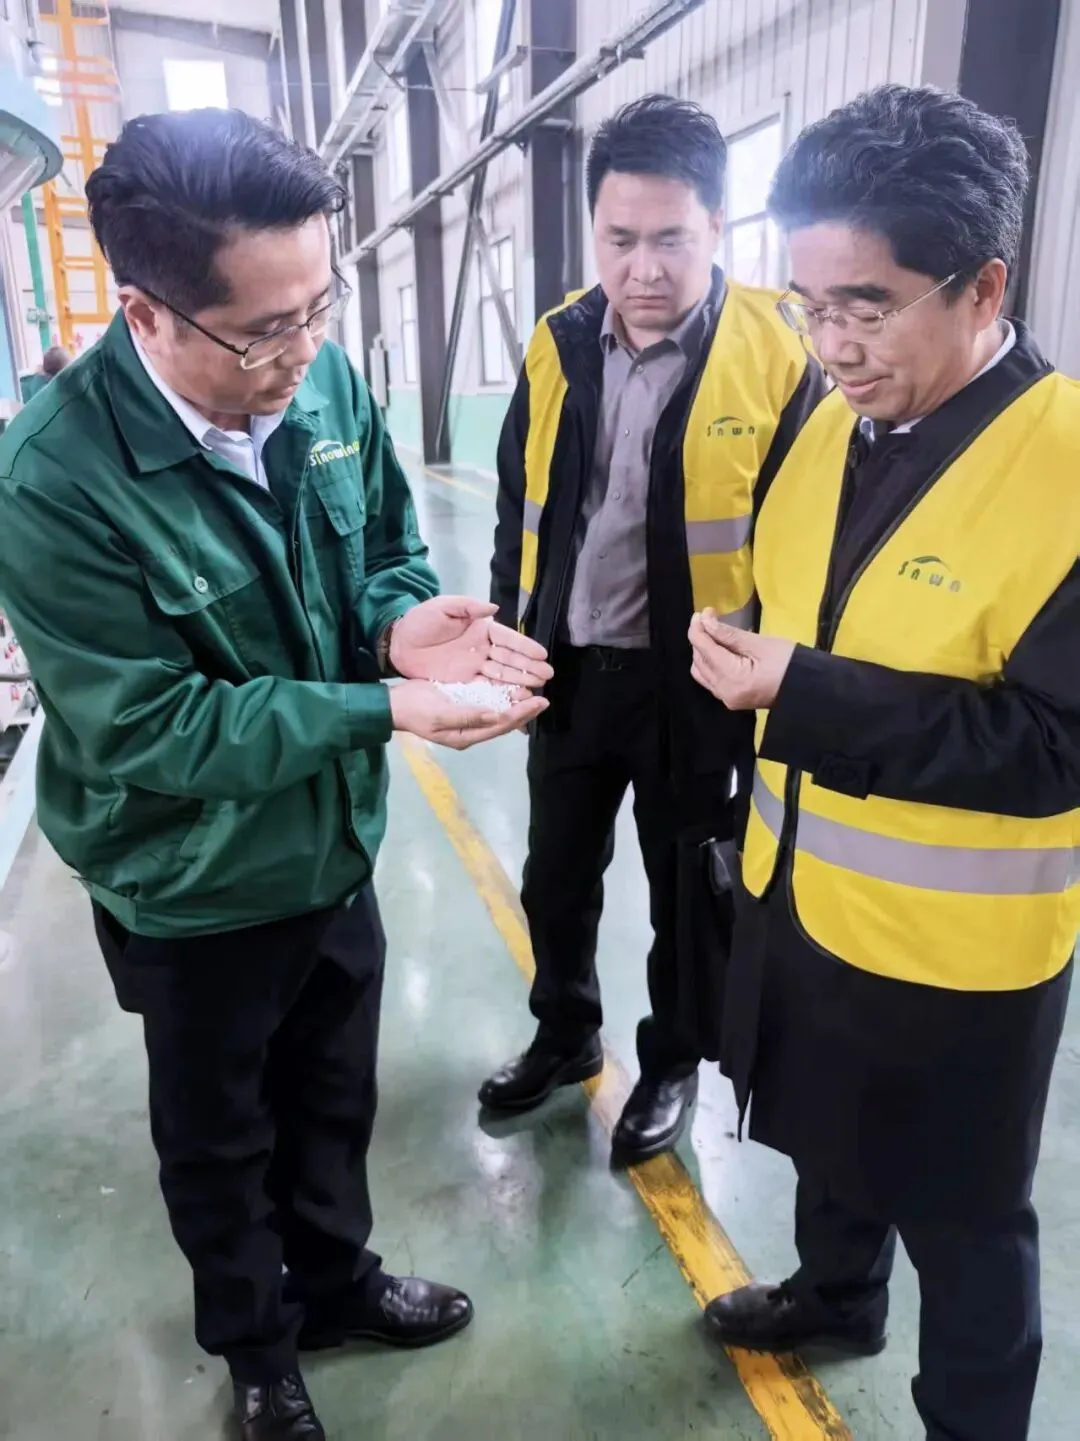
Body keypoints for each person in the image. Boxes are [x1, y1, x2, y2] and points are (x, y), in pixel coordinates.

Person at [0, 110, 551, 1441]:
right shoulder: (54, 480)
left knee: (332, 1097)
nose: (302, 352)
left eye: (320, 306)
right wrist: (387, 702)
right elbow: (152, 726)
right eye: (263, 331)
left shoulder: (324, 381)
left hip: (330, 842)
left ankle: (340, 1284)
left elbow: (388, 552)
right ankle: (257, 1348)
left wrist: (400, 624)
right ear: (147, 312)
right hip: (191, 882)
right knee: (220, 1137)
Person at [691, 84, 1080, 1441]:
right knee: (822, 1135)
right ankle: (836, 1296)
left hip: (959, 954)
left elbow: (1054, 748)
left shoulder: (1067, 467)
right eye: (809, 306)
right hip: (802, 892)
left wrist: (802, 693)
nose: (833, 346)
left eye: (866, 306)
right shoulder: (828, 423)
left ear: (984, 285)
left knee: (969, 1224)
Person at [482, 95, 824, 1162]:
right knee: (554, 874)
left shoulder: (779, 353)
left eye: (671, 238)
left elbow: (810, 543)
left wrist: (776, 688)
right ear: (594, 229)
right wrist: (510, 639)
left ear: (718, 224)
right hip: (570, 672)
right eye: (619, 238)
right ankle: (565, 1031)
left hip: (698, 688)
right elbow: (521, 503)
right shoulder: (558, 343)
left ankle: (672, 1060)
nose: (642, 269)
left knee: (688, 894)